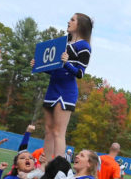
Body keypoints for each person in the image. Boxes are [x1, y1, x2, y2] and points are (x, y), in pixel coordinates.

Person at [35, 13, 92, 161]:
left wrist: (67, 63)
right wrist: (39, 66)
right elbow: (54, 69)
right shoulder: (61, 43)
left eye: (72, 20)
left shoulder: (84, 46)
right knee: (48, 130)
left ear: (80, 25)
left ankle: (58, 168)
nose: (68, 21)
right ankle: (46, 166)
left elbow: (80, 73)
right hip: (52, 88)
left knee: (58, 132)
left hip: (66, 91)